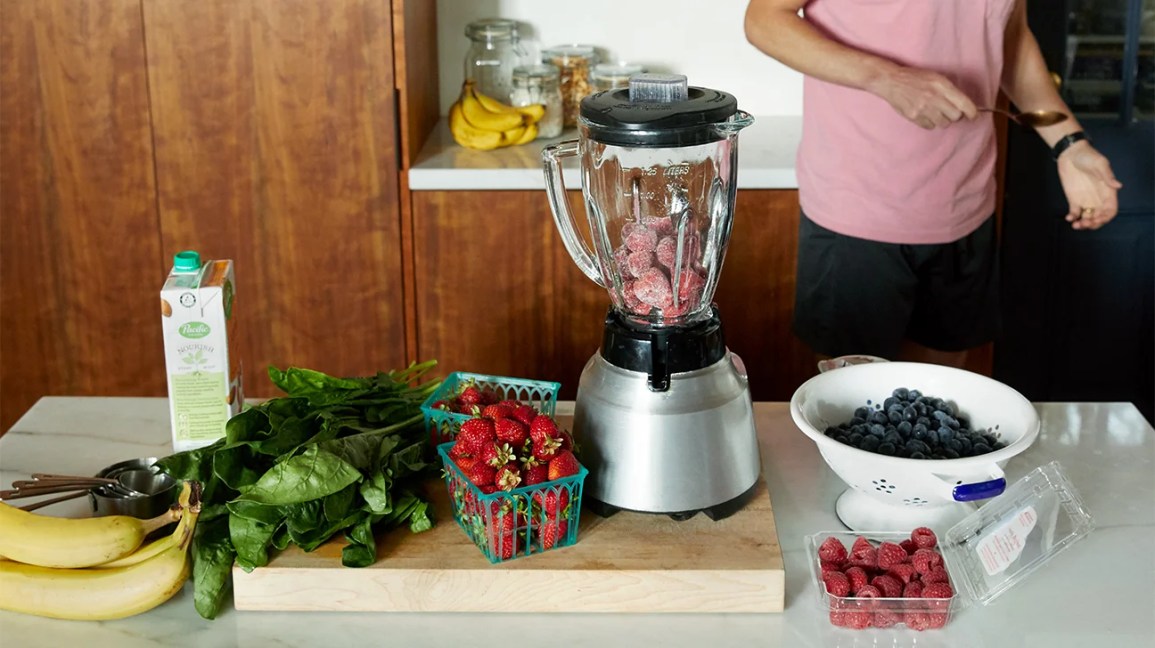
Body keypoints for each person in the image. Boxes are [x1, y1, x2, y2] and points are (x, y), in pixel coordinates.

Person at [743, 0, 1123, 368]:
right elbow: (764, 19)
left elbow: (1012, 39)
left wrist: (1070, 144)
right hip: (858, 210)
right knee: (850, 413)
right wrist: (886, 77)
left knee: (939, 406)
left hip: (967, 207)